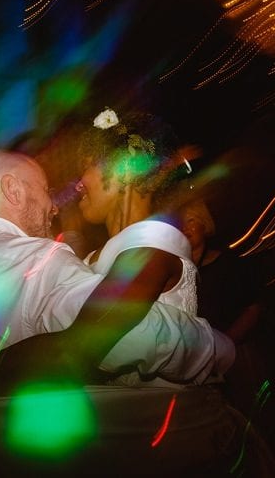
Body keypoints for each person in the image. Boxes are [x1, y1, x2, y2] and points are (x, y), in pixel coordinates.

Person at [0, 147, 248, 476]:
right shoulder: (39, 260)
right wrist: (218, 347)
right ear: (12, 190)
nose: (53, 205)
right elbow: (132, 337)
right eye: (45, 190)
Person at [74, 106, 199, 386]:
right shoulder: (92, 256)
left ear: (126, 168)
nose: (78, 184)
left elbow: (80, 346)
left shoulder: (154, 246)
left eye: (86, 167)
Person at [178, 197, 275, 428]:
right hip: (198, 366)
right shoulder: (178, 272)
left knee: (255, 421)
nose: (186, 228)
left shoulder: (229, 264)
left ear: (205, 224)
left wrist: (223, 344)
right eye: (180, 224)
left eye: (192, 221)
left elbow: (254, 307)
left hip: (237, 356)